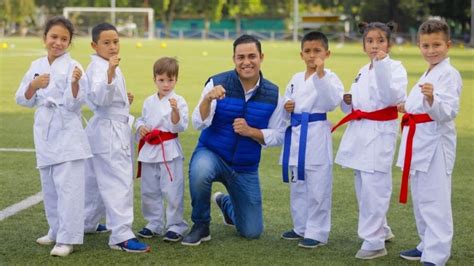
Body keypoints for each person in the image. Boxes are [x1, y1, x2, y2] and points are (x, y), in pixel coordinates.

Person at [181, 34, 285, 246]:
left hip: (245, 167)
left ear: (261, 57)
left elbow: (279, 134)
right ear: (234, 59)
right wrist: (207, 99)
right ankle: (201, 225)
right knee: (200, 171)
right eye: (240, 57)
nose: (246, 62)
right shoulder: (217, 82)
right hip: (212, 154)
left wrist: (251, 132)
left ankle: (226, 203)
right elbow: (198, 123)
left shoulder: (273, 93)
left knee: (252, 232)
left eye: (252, 56)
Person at [15, 16, 91, 257]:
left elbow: (76, 102)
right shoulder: (36, 65)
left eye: (64, 39)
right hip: (45, 130)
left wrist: (76, 84)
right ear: (45, 38)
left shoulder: (74, 66)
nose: (58, 42)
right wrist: (34, 85)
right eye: (54, 37)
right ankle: (55, 229)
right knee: (49, 185)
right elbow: (23, 99)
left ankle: (67, 239)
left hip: (67, 132)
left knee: (69, 187)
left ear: (69, 43)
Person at [332, 22, 407, 259]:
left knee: (375, 186)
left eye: (380, 40)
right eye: (370, 41)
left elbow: (391, 97)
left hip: (379, 132)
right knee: (363, 186)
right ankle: (382, 229)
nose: (375, 45)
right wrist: (347, 100)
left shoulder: (395, 68)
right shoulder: (364, 70)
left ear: (389, 43)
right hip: (360, 131)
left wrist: (383, 65)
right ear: (364, 44)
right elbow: (355, 103)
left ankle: (374, 241)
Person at [396, 19, 462, 266]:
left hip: (436, 144)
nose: (431, 50)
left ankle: (437, 254)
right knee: (422, 198)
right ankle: (426, 244)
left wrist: (433, 99)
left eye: (437, 45)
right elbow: (418, 104)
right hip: (418, 142)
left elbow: (448, 111)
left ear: (448, 45)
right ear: (419, 45)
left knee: (436, 201)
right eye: (426, 45)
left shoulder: (449, 74)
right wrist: (407, 106)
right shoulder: (429, 72)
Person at [83, 22, 150, 253]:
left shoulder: (104, 65)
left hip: (105, 128)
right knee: (118, 182)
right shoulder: (100, 67)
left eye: (115, 42)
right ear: (94, 45)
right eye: (106, 43)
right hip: (108, 131)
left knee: (93, 179)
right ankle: (121, 236)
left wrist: (123, 100)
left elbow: (103, 97)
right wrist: (111, 75)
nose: (113, 47)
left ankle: (87, 222)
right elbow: (99, 97)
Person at [279, 31, 343, 248]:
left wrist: (321, 76)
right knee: (298, 185)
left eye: (317, 51)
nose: (312, 55)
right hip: (297, 134)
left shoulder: (330, 77)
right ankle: (301, 227)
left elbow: (331, 102)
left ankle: (318, 231)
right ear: (301, 54)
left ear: (327, 53)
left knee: (318, 187)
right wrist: (287, 105)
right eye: (307, 51)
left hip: (316, 133)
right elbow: (286, 99)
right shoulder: (296, 79)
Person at [135, 57, 189, 242]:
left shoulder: (179, 100)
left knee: (173, 190)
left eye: (170, 80)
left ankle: (176, 225)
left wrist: (175, 111)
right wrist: (139, 126)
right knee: (149, 190)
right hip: (150, 150)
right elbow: (142, 119)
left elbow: (179, 127)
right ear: (154, 79)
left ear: (176, 80)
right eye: (161, 80)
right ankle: (154, 223)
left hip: (169, 150)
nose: (166, 84)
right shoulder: (149, 101)